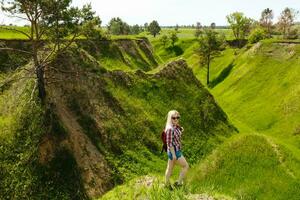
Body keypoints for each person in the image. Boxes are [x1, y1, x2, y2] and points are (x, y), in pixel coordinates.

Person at [164, 110, 189, 187]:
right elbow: (169, 143)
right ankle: (178, 183)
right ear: (169, 118)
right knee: (185, 166)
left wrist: (181, 130)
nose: (176, 119)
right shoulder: (169, 129)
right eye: (173, 118)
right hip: (175, 152)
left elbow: (176, 135)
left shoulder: (175, 126)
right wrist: (174, 155)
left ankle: (167, 185)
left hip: (174, 151)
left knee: (169, 169)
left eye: (177, 117)